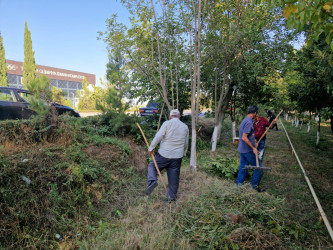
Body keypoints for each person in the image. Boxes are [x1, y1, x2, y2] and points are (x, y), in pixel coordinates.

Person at [145, 109, 189, 202]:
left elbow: (158, 136)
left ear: (170, 116)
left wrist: (151, 147)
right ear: (179, 117)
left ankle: (152, 181)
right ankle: (172, 198)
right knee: (174, 177)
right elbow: (186, 143)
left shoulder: (167, 123)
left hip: (164, 155)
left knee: (152, 166)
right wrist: (183, 153)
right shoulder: (185, 127)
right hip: (177, 157)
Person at [235, 105, 265, 192]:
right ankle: (254, 188)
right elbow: (244, 137)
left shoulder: (245, 120)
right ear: (255, 113)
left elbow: (248, 135)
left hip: (242, 149)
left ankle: (238, 186)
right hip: (247, 150)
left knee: (243, 167)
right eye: (257, 113)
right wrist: (253, 148)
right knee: (258, 168)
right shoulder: (249, 122)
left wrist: (254, 141)